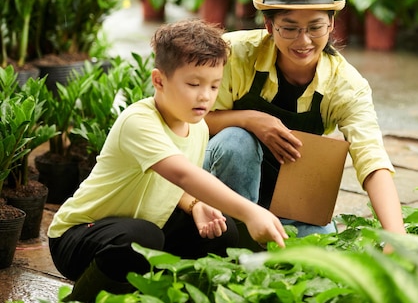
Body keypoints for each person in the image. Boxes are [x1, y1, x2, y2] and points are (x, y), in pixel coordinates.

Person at [47, 19, 287, 303]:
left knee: (222, 232)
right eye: (194, 84)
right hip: (77, 237)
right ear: (159, 80)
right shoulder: (139, 121)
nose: (205, 96)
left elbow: (173, 184)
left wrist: (195, 205)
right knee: (143, 238)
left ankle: (171, 294)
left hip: (141, 227)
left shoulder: (197, 127)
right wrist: (252, 212)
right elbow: (183, 174)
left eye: (214, 86)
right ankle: (81, 298)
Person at [203, 0, 406, 238]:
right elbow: (190, 121)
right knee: (236, 140)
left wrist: (396, 235)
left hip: (291, 199)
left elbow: (371, 158)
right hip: (220, 188)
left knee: (322, 244)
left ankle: (268, 237)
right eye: (289, 28)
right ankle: (233, 237)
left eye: (315, 27)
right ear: (269, 25)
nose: (304, 41)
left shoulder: (346, 84)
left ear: (332, 24)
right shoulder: (232, 54)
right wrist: (249, 120)